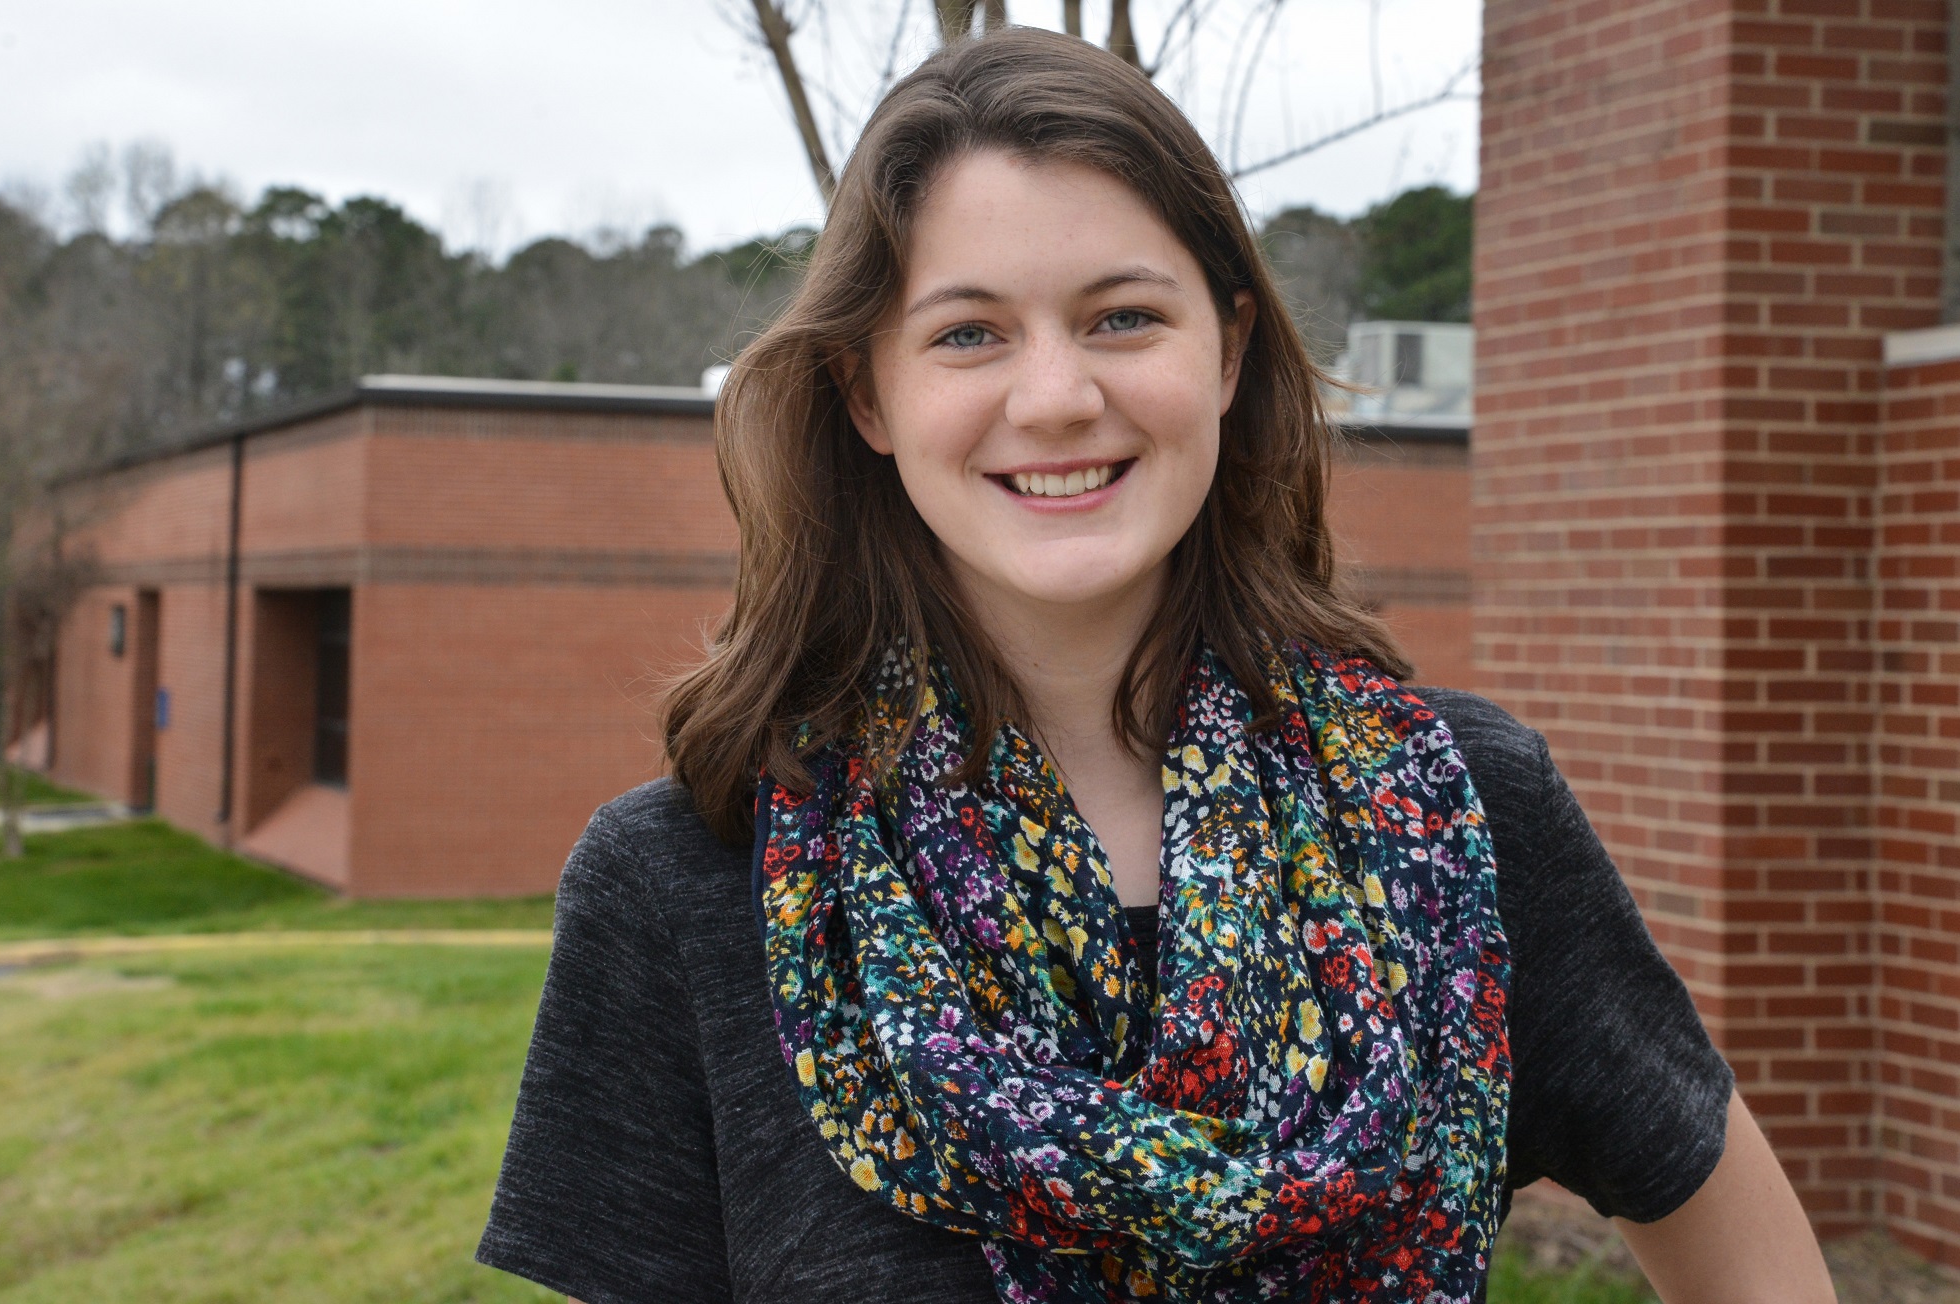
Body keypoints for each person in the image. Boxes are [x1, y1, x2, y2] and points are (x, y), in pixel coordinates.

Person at [476, 27, 1834, 1304]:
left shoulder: (1457, 810)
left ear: (1228, 347)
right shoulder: (688, 878)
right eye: (967, 333)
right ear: (865, 394)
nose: (1057, 395)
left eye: (1122, 316)